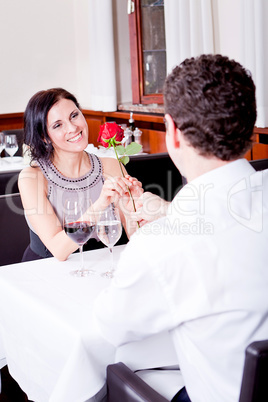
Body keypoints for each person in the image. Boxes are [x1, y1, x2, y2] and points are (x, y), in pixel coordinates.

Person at [93, 54, 268, 401]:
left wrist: (151, 237)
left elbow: (110, 327)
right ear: (251, 125)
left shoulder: (163, 246)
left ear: (171, 131)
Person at [19, 88, 142, 262]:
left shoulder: (112, 166)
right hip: (47, 268)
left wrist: (134, 207)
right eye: (57, 125)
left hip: (102, 261)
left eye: (74, 115)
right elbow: (59, 251)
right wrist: (100, 205)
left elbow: (135, 237)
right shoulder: (31, 178)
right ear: (44, 136)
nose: (73, 127)